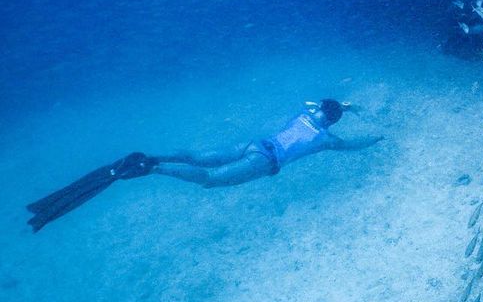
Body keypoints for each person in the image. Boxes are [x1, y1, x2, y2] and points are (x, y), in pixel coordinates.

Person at [25, 99, 380, 232]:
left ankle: (157, 156)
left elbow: (320, 104)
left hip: (255, 144)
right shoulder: (326, 139)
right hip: (266, 160)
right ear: (333, 121)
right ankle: (152, 167)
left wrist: (344, 106)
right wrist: (375, 138)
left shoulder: (304, 114)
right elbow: (351, 145)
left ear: (319, 111)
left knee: (196, 157)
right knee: (210, 180)